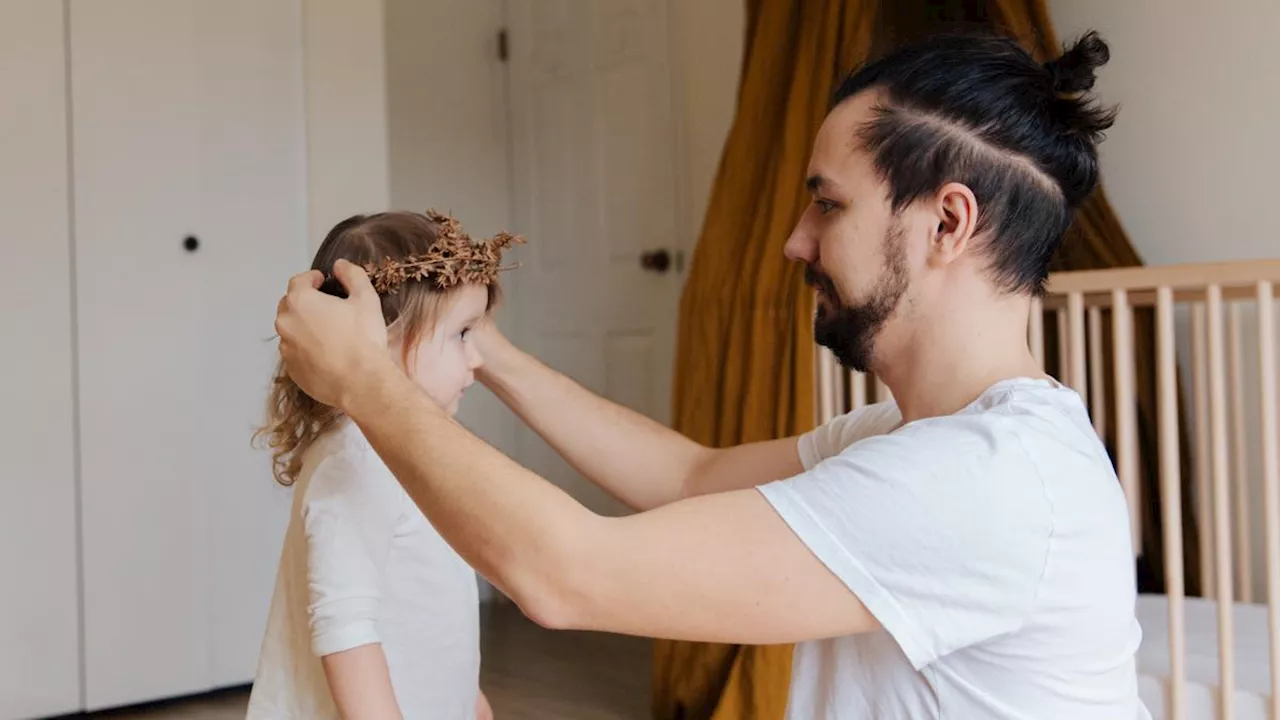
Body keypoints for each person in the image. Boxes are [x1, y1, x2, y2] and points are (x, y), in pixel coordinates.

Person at [273, 30, 1151, 719]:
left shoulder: (981, 483)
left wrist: (368, 383)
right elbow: (686, 475)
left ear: (947, 223)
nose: (795, 242)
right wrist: (478, 347)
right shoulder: (913, 439)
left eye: (828, 202)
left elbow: (565, 574)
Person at [247, 210, 521, 720]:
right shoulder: (356, 460)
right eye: (461, 333)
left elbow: (431, 597)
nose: (477, 358)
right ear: (384, 341)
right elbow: (344, 628)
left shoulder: (414, 447)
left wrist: (468, 697)